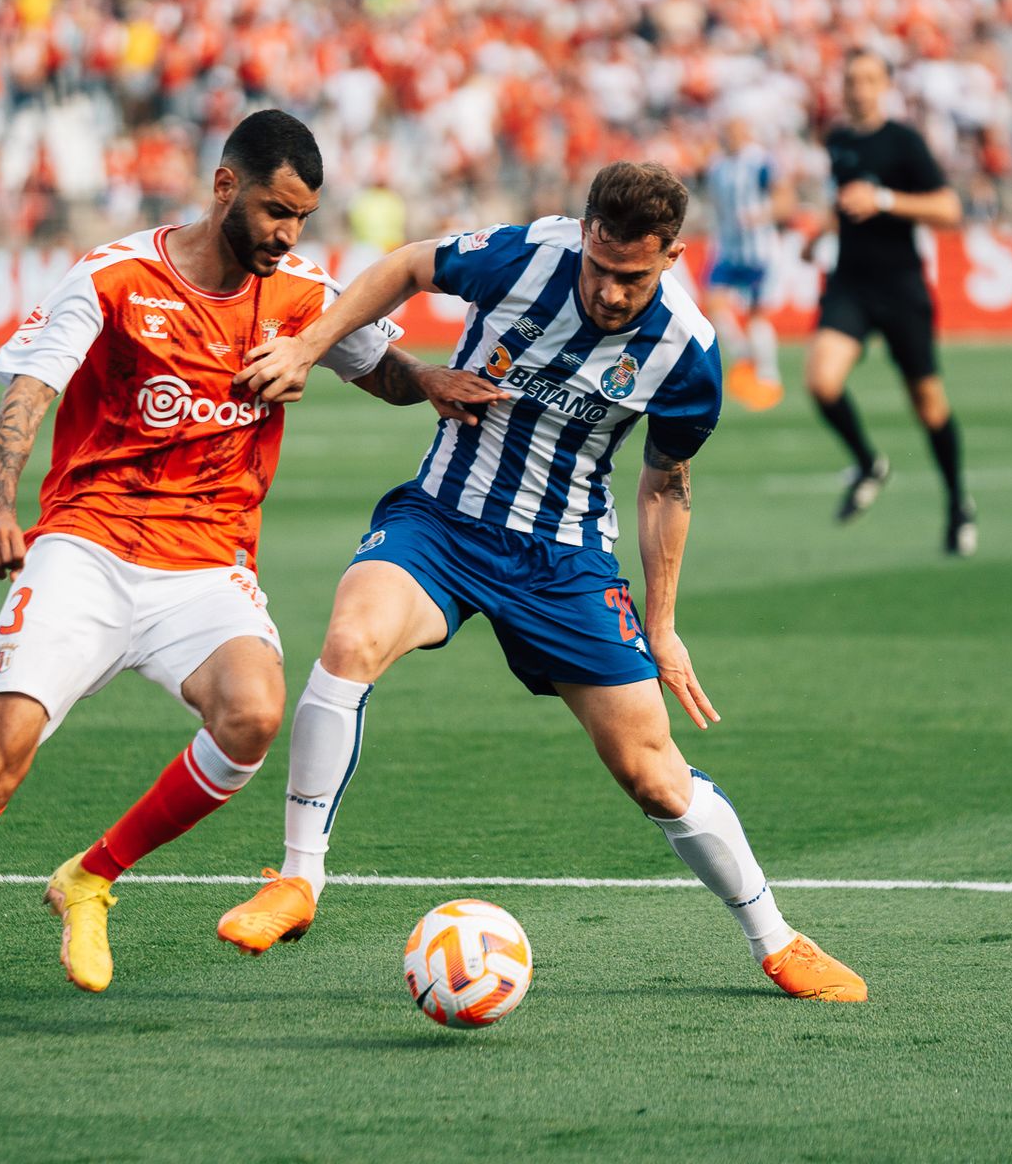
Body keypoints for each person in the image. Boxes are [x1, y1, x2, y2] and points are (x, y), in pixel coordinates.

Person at [0, 111, 505, 1042]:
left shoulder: (299, 293)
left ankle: (91, 877)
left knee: (251, 716)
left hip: (207, 559)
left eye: (303, 218)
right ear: (223, 187)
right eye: (276, 212)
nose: (288, 235)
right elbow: (32, 387)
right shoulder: (117, 276)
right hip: (86, 544)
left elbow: (377, 369)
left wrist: (434, 383)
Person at [218, 161, 867, 1003]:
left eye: (630, 276)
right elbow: (410, 265)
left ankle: (776, 940)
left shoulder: (688, 351)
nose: (607, 290)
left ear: (669, 258)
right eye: (598, 266)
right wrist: (309, 345)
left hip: (565, 560)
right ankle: (298, 881)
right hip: (442, 520)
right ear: (585, 234)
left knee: (653, 772)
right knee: (349, 640)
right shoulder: (525, 256)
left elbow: (666, 487)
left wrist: (662, 626)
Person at [803, 50, 972, 556]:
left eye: (869, 79)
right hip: (851, 282)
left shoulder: (903, 141)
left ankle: (958, 502)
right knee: (820, 380)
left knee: (929, 406)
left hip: (901, 286)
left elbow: (949, 209)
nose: (859, 88)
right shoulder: (837, 141)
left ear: (884, 85)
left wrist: (885, 200)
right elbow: (847, 200)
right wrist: (823, 230)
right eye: (851, 79)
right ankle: (869, 462)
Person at [704, 116, 790, 411]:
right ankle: (743, 356)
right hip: (728, 248)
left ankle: (767, 374)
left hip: (759, 251)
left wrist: (762, 214)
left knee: (756, 313)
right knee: (713, 305)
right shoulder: (717, 165)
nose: (733, 136)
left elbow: (784, 199)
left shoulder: (760, 162)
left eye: (738, 131)